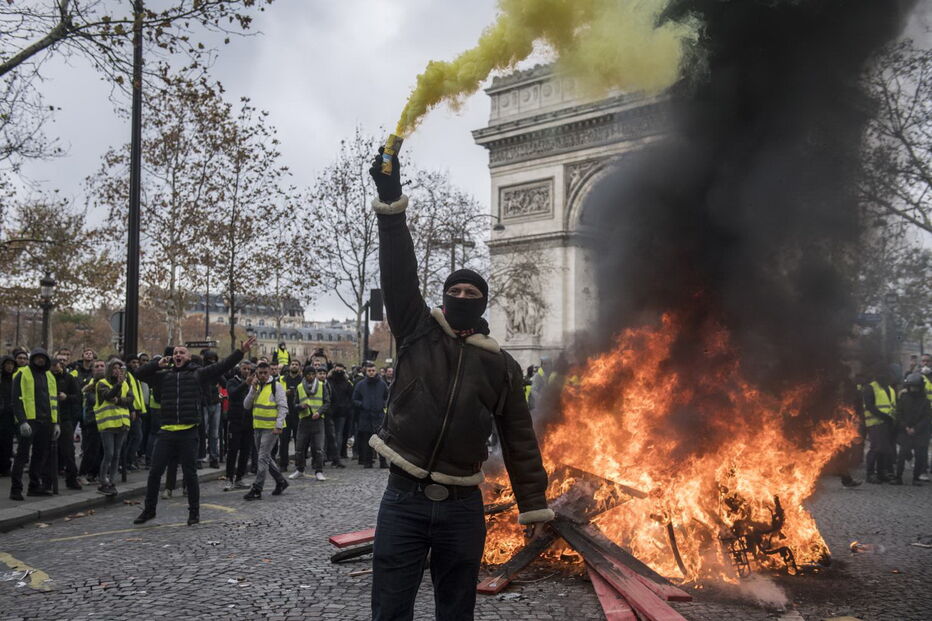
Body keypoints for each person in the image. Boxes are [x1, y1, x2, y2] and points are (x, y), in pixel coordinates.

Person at [367, 150, 552, 620]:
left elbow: (519, 440)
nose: (463, 297)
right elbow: (398, 273)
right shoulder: (415, 329)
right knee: (390, 608)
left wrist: (533, 506)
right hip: (403, 497)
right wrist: (391, 204)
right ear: (443, 298)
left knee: (456, 610)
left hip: (462, 506)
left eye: (473, 294)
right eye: (456, 291)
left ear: (484, 304)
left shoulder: (502, 366)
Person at [133, 337, 254, 526]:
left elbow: (222, 366)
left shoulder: (198, 374)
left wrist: (241, 352)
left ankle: (194, 512)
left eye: (182, 353)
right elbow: (138, 374)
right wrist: (157, 363)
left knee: (190, 474)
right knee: (155, 473)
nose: (178, 355)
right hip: (166, 431)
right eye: (175, 353)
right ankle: (149, 510)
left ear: (188, 358)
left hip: (188, 432)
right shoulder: (164, 376)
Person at [9, 349, 60, 500]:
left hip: (46, 421)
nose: (40, 360)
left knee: (40, 455)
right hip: (30, 420)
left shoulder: (50, 376)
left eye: (42, 358)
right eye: (37, 358)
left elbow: (54, 401)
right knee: (22, 456)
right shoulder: (22, 373)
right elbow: (16, 400)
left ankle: (34, 486)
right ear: (33, 359)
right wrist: (22, 421)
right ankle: (16, 489)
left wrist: (56, 423)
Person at [242, 361, 288, 500]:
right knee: (266, 457)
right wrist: (253, 390)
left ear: (269, 372)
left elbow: (283, 407)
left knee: (262, 458)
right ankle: (281, 481)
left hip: (271, 428)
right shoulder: (255, 386)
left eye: (265, 373)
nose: (262, 376)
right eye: (260, 373)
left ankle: (257, 488)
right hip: (258, 426)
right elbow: (246, 405)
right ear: (256, 373)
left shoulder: (276, 386)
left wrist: (278, 425)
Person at [94, 359, 133, 496]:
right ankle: (103, 481)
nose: (117, 370)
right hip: (108, 424)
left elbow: (130, 399)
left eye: (119, 368)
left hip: (122, 424)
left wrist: (119, 401)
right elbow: (108, 396)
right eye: (114, 368)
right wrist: (118, 386)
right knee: (109, 453)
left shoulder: (126, 384)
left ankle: (112, 481)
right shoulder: (102, 383)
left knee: (117, 454)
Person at [291, 365, 330, 480]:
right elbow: (294, 404)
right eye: (309, 374)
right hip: (304, 420)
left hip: (318, 420)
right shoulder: (299, 387)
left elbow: (327, 402)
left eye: (313, 374)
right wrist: (300, 406)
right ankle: (300, 469)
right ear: (305, 375)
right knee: (299, 448)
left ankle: (319, 471)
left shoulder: (322, 386)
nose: (311, 376)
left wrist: (319, 412)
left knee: (318, 448)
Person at [893, 373, 931, 485]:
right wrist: (906, 427)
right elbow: (899, 415)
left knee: (919, 456)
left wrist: (916, 428)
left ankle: (916, 478)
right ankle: (898, 477)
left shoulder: (925, 401)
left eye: (916, 387)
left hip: (920, 433)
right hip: (905, 431)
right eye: (912, 387)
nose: (914, 389)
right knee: (902, 455)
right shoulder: (903, 399)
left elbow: (927, 417)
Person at [51, 355, 82, 490]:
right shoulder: (46, 377)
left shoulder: (68, 378)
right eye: (53, 368)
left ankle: (71, 479)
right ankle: (47, 479)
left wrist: (66, 397)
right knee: (47, 451)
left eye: (58, 367)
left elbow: (78, 397)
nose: (56, 370)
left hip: (65, 418)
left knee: (68, 450)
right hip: (49, 418)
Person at [863, 365, 897, 484]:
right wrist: (885, 417)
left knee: (885, 449)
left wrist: (892, 419)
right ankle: (870, 474)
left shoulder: (891, 389)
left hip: (888, 423)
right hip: (875, 423)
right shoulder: (870, 388)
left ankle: (881, 473)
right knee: (876, 448)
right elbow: (869, 406)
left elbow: (893, 407)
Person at [223, 361, 254, 491]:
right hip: (235, 420)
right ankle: (229, 478)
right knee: (233, 450)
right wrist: (245, 384)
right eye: (244, 368)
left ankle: (239, 478)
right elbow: (232, 394)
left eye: (248, 369)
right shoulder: (232, 381)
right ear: (239, 369)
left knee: (245, 451)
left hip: (248, 421)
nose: (246, 371)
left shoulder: (252, 383)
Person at [352, 363, 388, 469]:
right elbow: (354, 399)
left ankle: (383, 461)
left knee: (381, 440)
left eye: (373, 370)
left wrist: (383, 404)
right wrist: (362, 404)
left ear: (375, 371)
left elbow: (387, 396)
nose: (371, 372)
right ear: (366, 371)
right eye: (369, 371)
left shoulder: (382, 384)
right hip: (365, 416)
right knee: (367, 441)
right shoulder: (360, 384)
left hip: (379, 416)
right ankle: (367, 461)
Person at [326, 363, 353, 468]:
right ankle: (335, 457)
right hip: (339, 411)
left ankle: (331, 456)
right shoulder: (346, 382)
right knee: (337, 435)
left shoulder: (329, 381)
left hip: (335, 411)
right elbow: (351, 395)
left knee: (334, 435)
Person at [278, 360, 303, 472]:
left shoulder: (302, 380)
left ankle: (299, 464)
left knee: (299, 440)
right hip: (285, 413)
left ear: (299, 367)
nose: (294, 366)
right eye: (292, 364)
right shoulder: (282, 379)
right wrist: (285, 393)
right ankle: (283, 464)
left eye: (296, 364)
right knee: (284, 440)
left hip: (298, 413)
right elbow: (276, 394)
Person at [0, 355, 17, 476]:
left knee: (7, 442)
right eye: (7, 364)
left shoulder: (15, 380)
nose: (10, 367)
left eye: (12, 364)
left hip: (10, 415)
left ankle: (5, 467)